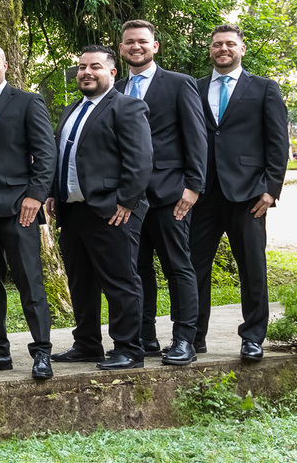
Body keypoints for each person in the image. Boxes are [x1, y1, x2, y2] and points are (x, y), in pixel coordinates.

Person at [46, 46, 152, 370]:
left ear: (112, 73)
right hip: (73, 211)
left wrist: (126, 201)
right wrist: (53, 193)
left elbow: (140, 160)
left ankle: (129, 349)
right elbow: (62, 157)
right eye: (81, 67)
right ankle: (87, 344)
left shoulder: (128, 107)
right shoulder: (71, 110)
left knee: (120, 282)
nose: (86, 72)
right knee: (80, 282)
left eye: (95, 67)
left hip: (112, 211)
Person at [191, 24, 288, 361]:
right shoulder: (195, 88)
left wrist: (271, 189)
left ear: (241, 49)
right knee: (194, 267)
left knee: (252, 267)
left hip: (249, 194)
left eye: (230, 44)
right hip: (202, 193)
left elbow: (278, 142)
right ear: (210, 49)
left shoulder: (263, 88)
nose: (223, 49)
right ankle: (192, 337)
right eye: (217, 44)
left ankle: (252, 337)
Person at [0, 43, 57, 381]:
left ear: (4, 65)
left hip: (19, 208)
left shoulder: (27, 101)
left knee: (30, 282)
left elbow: (46, 153)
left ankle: (42, 352)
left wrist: (35, 196)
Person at [116, 20, 206, 366]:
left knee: (178, 267)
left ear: (155, 46)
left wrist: (193, 187)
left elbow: (196, 137)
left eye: (142, 41)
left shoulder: (180, 84)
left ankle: (184, 340)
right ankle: (144, 336)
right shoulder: (116, 89)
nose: (135, 47)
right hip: (128, 200)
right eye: (129, 42)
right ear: (121, 48)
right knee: (135, 270)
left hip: (171, 194)